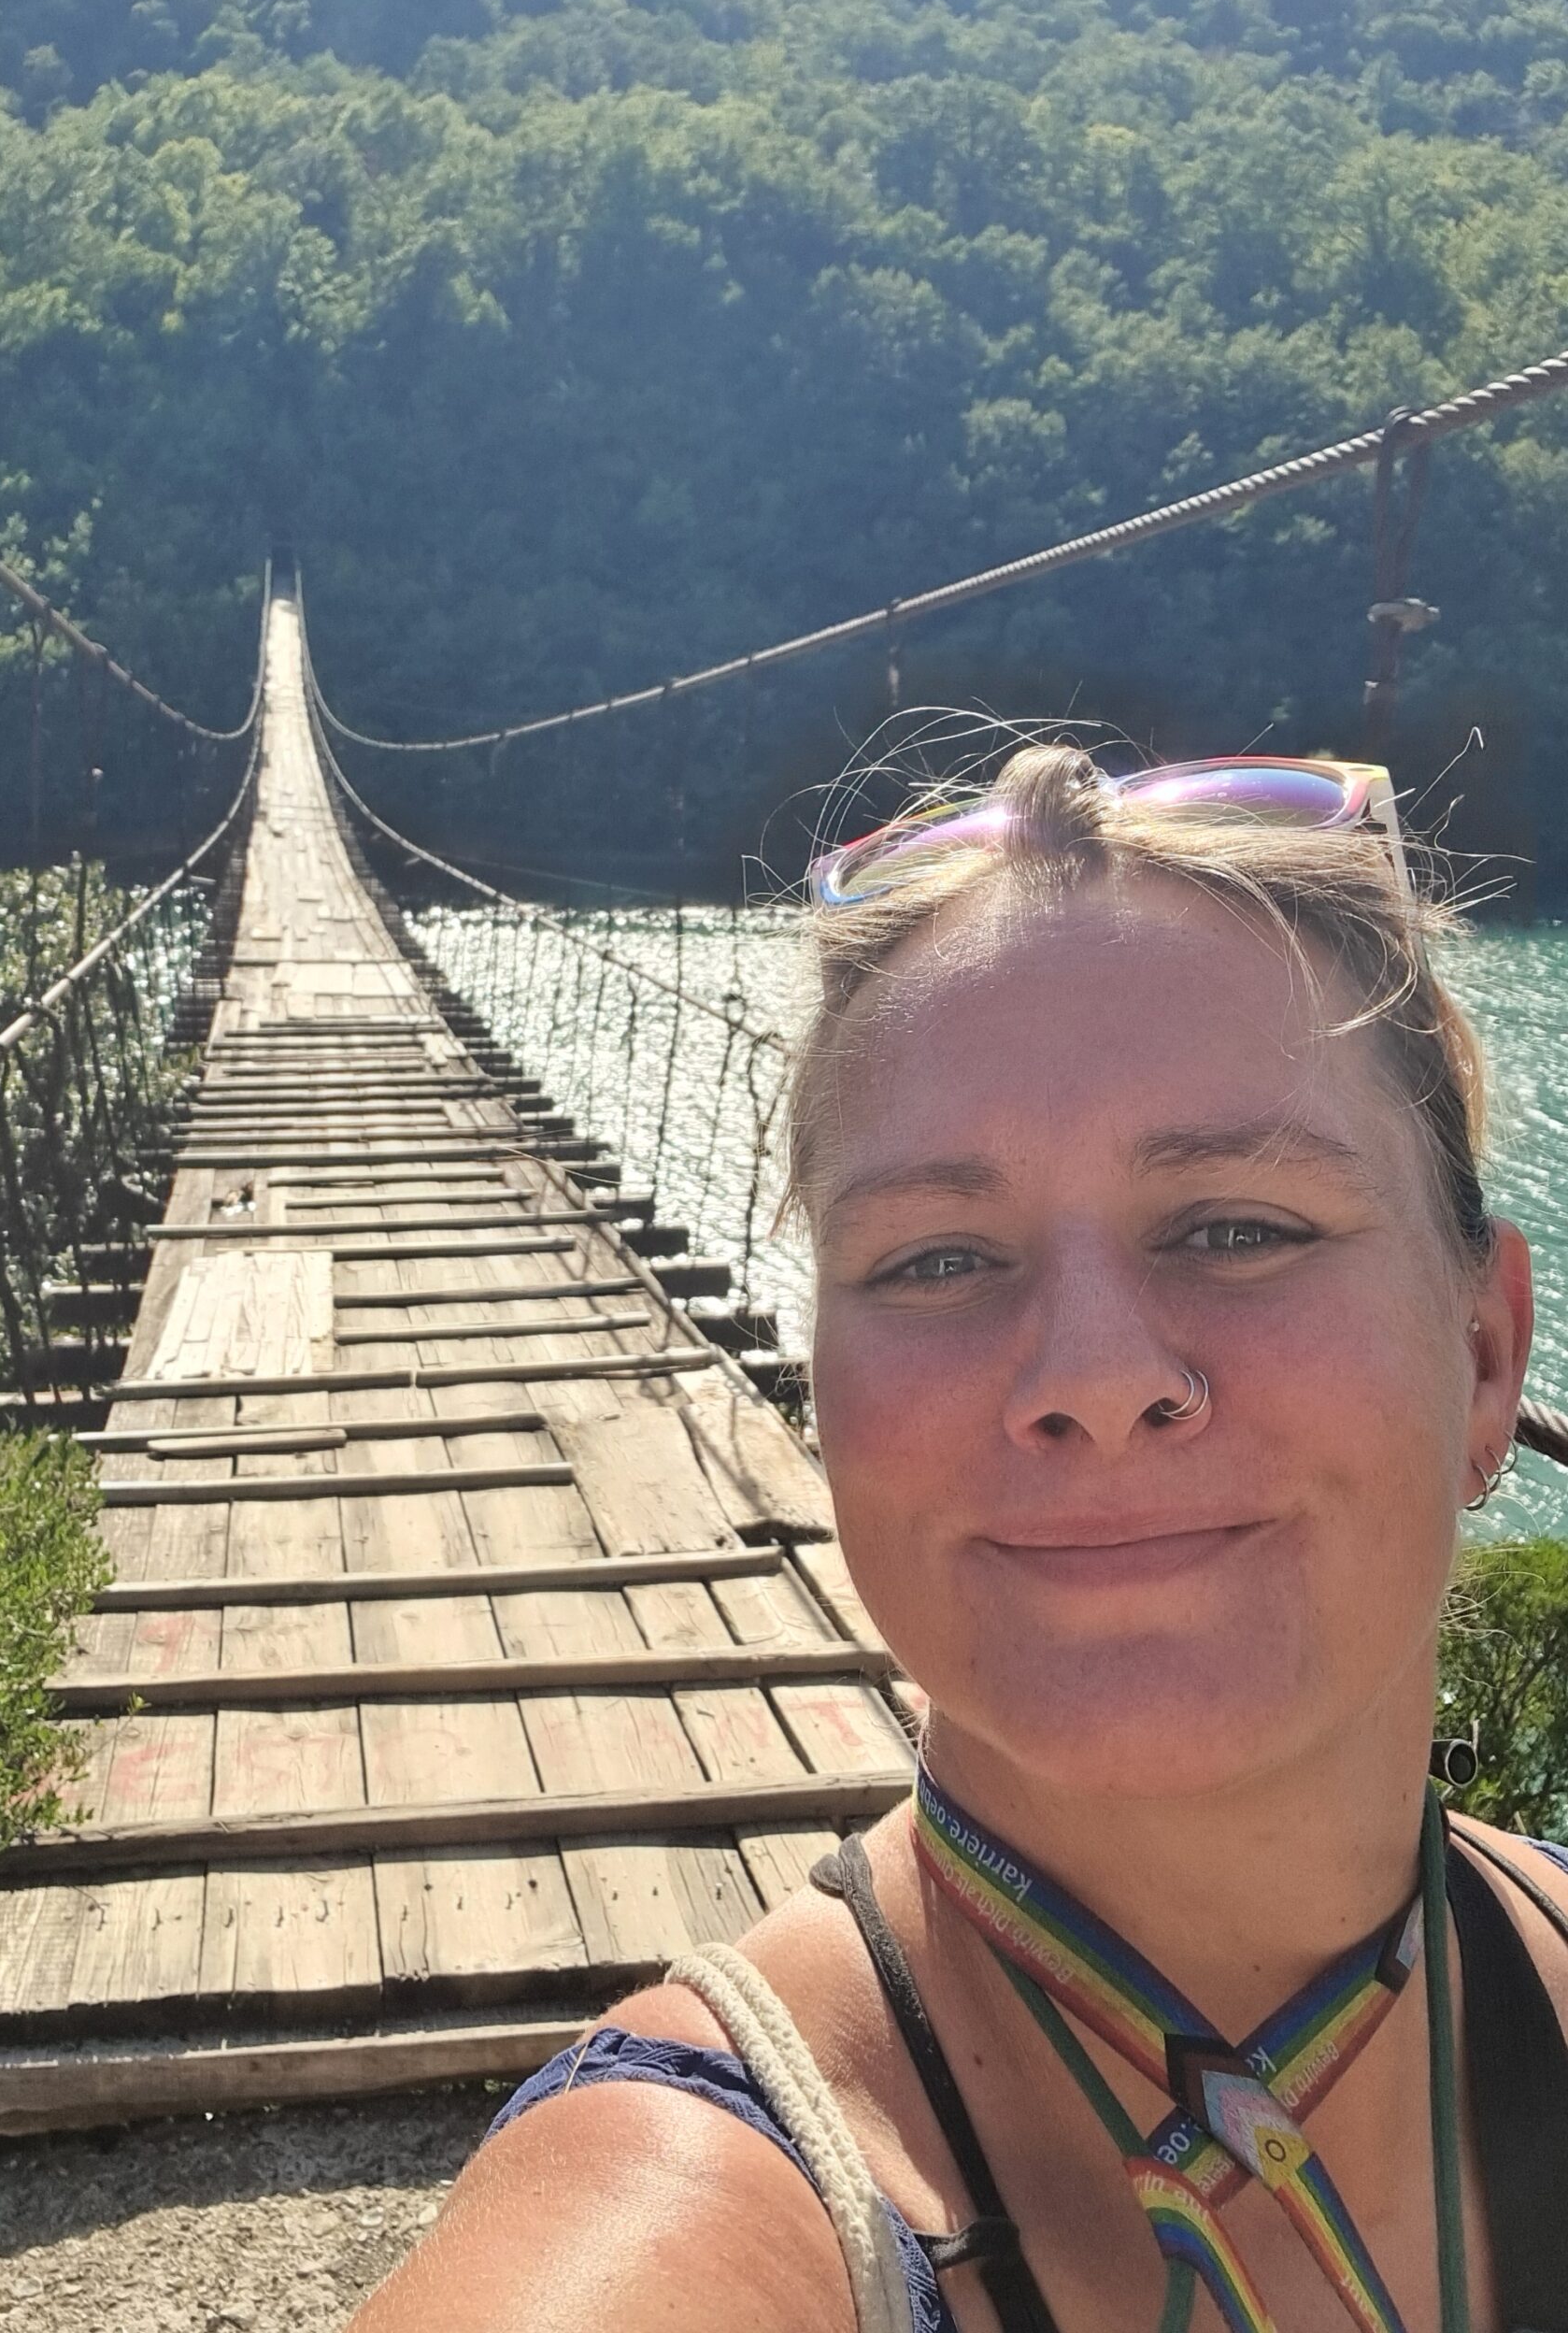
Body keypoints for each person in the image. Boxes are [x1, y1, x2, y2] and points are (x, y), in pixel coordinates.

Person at [348, 744, 1568, 2333]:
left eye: (1238, 1228)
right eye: (936, 1260)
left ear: (1484, 1354)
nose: (1095, 1379)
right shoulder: (698, 2208)